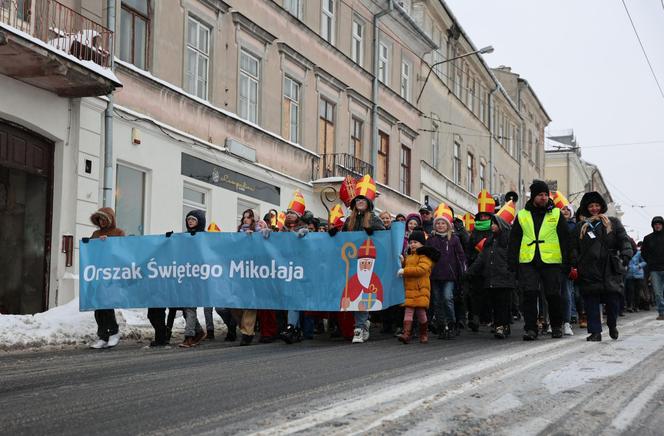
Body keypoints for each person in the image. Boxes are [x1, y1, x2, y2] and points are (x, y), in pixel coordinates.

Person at [508, 180, 570, 341]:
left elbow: (565, 239)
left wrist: (567, 262)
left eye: (545, 195)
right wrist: (512, 262)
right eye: (540, 195)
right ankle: (530, 328)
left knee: (553, 295)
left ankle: (556, 326)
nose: (543, 198)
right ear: (533, 196)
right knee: (529, 295)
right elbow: (514, 240)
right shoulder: (522, 215)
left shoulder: (556, 214)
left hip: (551, 261)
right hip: (528, 261)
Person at [330, 175, 385, 343]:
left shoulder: (374, 218)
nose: (360, 201)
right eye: (358, 199)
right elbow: (343, 240)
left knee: (364, 293)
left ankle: (360, 327)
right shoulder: (349, 220)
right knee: (353, 293)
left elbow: (384, 237)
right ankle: (361, 323)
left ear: (369, 202)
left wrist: (373, 230)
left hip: (367, 262)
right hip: (352, 262)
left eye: (363, 199)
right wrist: (334, 234)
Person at [571, 192, 632, 341]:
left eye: (597, 205)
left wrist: (626, 254)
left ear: (601, 206)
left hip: (609, 266)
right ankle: (595, 332)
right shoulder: (581, 227)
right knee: (591, 300)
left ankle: (612, 324)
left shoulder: (612, 222)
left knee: (612, 298)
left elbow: (623, 240)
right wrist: (574, 263)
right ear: (586, 208)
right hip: (588, 267)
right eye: (591, 206)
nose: (594, 208)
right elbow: (573, 247)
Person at [466, 215, 514, 339]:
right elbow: (481, 258)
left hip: (504, 277)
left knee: (503, 303)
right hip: (491, 277)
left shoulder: (508, 240)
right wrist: (469, 271)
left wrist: (511, 273)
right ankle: (501, 326)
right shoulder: (489, 241)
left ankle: (502, 326)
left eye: (495, 224)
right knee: (495, 304)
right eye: (492, 224)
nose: (492, 226)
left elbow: (513, 258)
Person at [88, 208, 125, 349]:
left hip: (111, 273)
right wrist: (94, 242)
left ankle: (114, 332)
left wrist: (109, 242)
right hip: (97, 272)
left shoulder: (118, 232)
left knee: (107, 304)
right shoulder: (96, 234)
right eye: (99, 220)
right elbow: (89, 250)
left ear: (110, 219)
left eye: (104, 219)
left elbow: (123, 249)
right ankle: (102, 335)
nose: (102, 222)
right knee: (98, 306)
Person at [426, 208, 466, 339]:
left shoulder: (454, 239)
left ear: (448, 225)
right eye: (438, 223)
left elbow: (460, 256)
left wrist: (462, 271)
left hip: (450, 275)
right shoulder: (431, 239)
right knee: (437, 301)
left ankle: (451, 323)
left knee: (448, 298)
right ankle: (441, 325)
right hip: (435, 274)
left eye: (443, 223)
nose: (440, 225)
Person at [396, 230, 440, 344]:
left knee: (421, 313)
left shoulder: (425, 256)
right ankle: (406, 334)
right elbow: (408, 267)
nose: (412, 244)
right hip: (410, 288)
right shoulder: (410, 256)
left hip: (421, 288)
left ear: (422, 243)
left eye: (415, 242)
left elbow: (421, 270)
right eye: (410, 242)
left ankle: (423, 333)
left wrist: (404, 270)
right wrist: (402, 263)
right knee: (408, 311)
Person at [280, 193, 311, 344]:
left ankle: (292, 326)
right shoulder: (282, 229)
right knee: (290, 299)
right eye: (288, 212)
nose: (290, 215)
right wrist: (267, 235)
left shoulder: (304, 228)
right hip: (285, 269)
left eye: (293, 213)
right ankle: (295, 329)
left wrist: (307, 235)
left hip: (300, 269)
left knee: (294, 299)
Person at [179, 210, 208, 348]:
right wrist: (168, 240)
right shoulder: (183, 237)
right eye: (188, 219)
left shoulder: (205, 237)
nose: (190, 221)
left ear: (200, 222)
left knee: (190, 306)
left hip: (198, 276)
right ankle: (199, 332)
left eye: (194, 219)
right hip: (185, 275)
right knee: (186, 307)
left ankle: (189, 336)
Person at [641, 216, 664, 320]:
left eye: (659, 223)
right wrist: (650, 262)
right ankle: (662, 312)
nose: (657, 225)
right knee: (658, 293)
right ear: (653, 226)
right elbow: (643, 253)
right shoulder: (648, 238)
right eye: (655, 224)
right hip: (654, 269)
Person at [560, 203, 577, 336]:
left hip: (567, 263)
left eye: (568, 209)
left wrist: (573, 263)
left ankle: (567, 321)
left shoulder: (574, 227)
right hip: (553, 261)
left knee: (567, 292)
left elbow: (575, 246)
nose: (565, 211)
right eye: (563, 209)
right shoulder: (554, 224)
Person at [625, 242, 647, 313]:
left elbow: (645, 261)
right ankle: (630, 306)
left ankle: (636, 306)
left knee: (637, 291)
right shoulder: (626, 253)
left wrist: (639, 266)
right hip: (629, 274)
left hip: (638, 274)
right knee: (630, 291)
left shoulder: (639, 253)